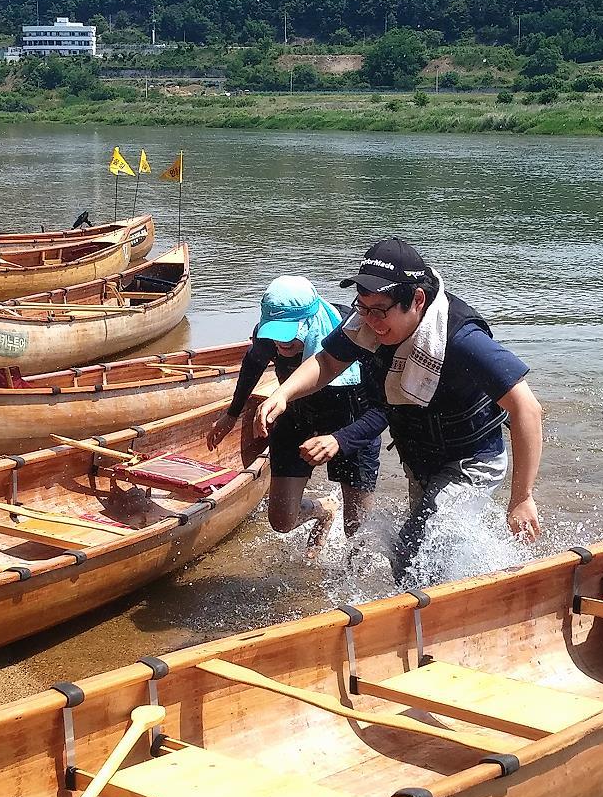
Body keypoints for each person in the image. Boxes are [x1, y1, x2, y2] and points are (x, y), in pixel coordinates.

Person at [255, 238, 544, 580]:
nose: (371, 321)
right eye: (362, 307)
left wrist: (522, 497)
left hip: (470, 461)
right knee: (410, 559)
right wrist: (284, 394)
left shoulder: (460, 338)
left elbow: (526, 408)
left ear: (416, 300)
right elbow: (328, 361)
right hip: (420, 459)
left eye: (380, 310)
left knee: (426, 553)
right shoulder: (366, 325)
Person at [207, 276, 385, 554]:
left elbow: (384, 406)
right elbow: (253, 363)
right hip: (298, 419)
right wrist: (231, 415)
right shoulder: (269, 338)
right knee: (281, 521)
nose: (281, 342)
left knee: (357, 531)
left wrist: (341, 439)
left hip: (352, 423)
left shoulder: (355, 334)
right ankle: (324, 509)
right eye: (274, 331)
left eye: (289, 332)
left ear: (311, 322)